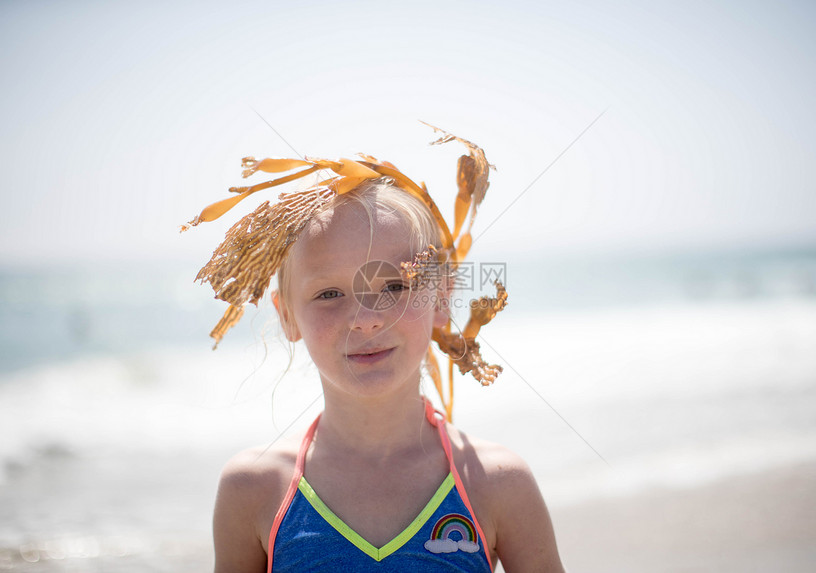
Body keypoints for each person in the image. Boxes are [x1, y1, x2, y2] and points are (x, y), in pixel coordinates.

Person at [187, 129, 565, 572]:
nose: (365, 318)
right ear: (287, 315)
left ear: (440, 299)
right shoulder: (253, 488)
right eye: (329, 294)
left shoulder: (496, 483)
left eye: (394, 286)